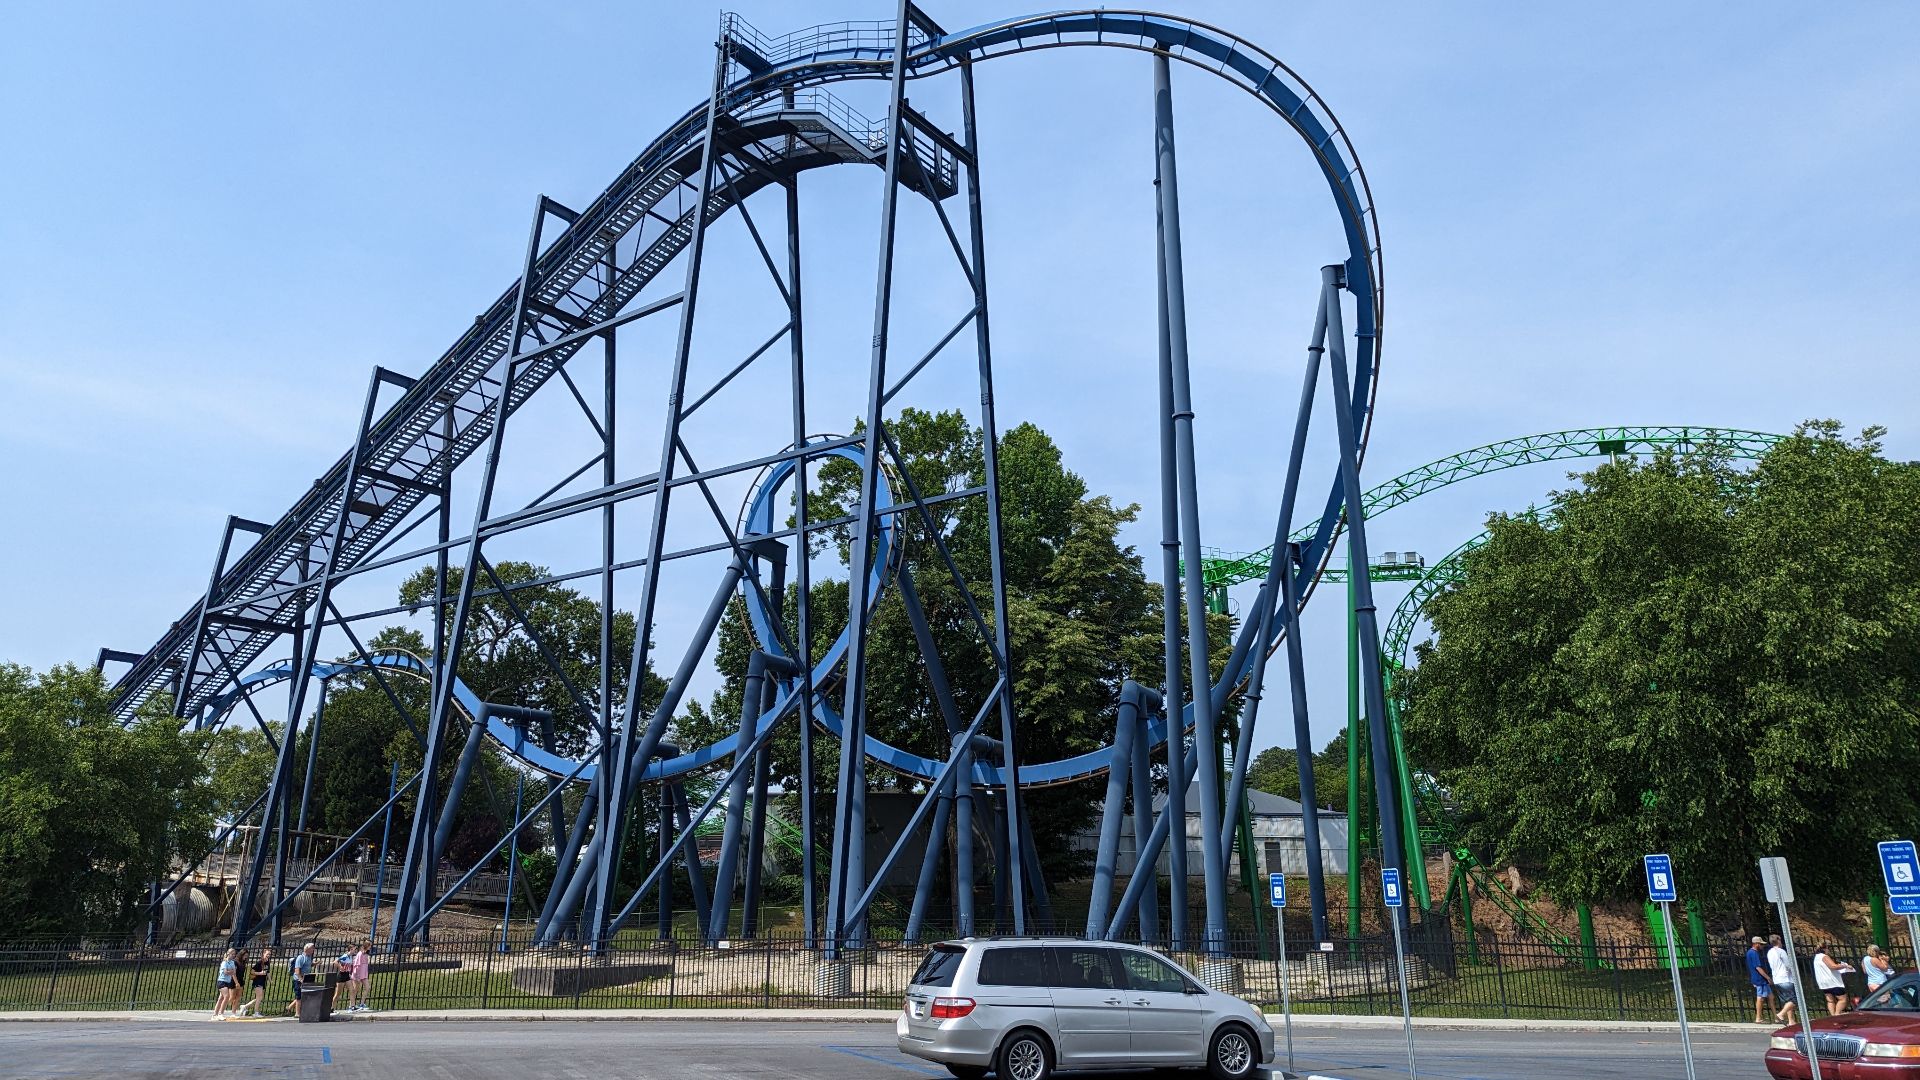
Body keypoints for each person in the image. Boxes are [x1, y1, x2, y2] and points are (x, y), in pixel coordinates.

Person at [1814, 945, 1855, 1015]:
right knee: (1843, 999)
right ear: (1824, 949)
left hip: (1823, 982)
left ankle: (1833, 1015)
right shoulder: (1824, 956)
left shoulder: (1816, 957)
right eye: (1828, 948)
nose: (1829, 950)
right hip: (1832, 982)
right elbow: (1833, 966)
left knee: (1830, 1000)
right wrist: (1845, 966)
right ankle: (1837, 1014)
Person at [1769, 933, 1800, 1025]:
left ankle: (1791, 1020)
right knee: (1794, 1000)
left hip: (1777, 979)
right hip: (1785, 978)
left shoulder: (1770, 952)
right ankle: (1780, 1014)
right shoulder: (1781, 951)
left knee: (1787, 1001)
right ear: (1778, 940)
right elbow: (1788, 965)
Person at [1746, 936, 1773, 1024]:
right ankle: (1758, 1017)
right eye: (1761, 944)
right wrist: (1767, 977)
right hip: (1760, 979)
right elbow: (1758, 967)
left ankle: (1776, 1017)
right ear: (1756, 944)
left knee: (1770, 996)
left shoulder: (1751, 952)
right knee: (1760, 998)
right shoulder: (1754, 953)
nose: (1762, 946)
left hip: (1759, 978)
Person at [284, 942, 316, 1016]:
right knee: (299, 997)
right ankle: (297, 1013)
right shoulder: (301, 958)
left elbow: (308, 965)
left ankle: (289, 1007)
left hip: (306, 978)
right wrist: (301, 979)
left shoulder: (309, 957)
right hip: (298, 980)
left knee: (303, 995)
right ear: (307, 949)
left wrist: (316, 963)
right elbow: (297, 970)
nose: (313, 950)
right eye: (312, 948)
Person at [239, 947, 271, 1017]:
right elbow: (252, 972)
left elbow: (267, 972)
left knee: (260, 998)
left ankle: (245, 1006)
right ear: (263, 954)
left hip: (263, 981)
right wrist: (260, 973)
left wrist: (270, 980)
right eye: (267, 954)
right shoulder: (259, 962)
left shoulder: (267, 962)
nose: (268, 955)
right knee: (259, 997)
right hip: (257, 981)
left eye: (269, 954)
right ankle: (256, 1012)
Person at [211, 948, 240, 1019]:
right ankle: (220, 1013)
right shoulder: (224, 962)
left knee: (221, 998)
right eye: (232, 954)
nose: (233, 955)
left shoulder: (232, 963)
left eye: (234, 954)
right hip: (222, 981)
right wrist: (230, 971)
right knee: (227, 996)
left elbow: (234, 973)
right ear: (228, 954)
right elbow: (225, 972)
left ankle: (215, 1015)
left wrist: (236, 982)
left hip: (228, 982)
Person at [347, 941, 372, 1012]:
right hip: (357, 974)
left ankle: (362, 1004)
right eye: (370, 945)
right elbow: (356, 965)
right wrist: (357, 976)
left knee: (367, 987)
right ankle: (351, 1006)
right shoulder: (360, 954)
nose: (371, 947)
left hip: (363, 974)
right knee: (355, 990)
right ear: (366, 946)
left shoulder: (365, 953)